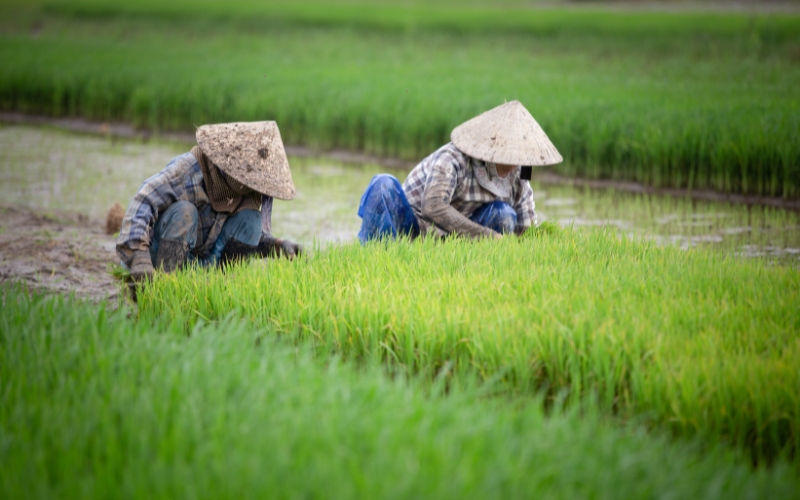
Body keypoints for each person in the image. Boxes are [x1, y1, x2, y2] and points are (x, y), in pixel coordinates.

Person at [116, 121, 303, 282]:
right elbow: (144, 200)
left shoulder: (245, 192)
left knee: (252, 219)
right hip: (159, 255)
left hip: (201, 260)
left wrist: (277, 245)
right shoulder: (189, 170)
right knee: (185, 212)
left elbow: (246, 236)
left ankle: (224, 288)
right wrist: (139, 257)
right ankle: (166, 286)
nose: (255, 188)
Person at [357, 100, 562, 242]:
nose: (514, 163)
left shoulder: (519, 178)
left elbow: (525, 232)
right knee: (383, 184)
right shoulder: (453, 159)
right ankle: (376, 257)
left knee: (504, 214)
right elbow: (433, 206)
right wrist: (487, 236)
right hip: (414, 229)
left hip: (455, 242)